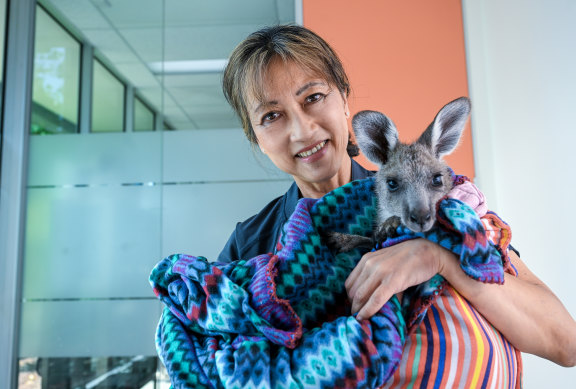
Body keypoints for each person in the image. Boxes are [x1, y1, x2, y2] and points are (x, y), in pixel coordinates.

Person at [218, 24, 576, 385]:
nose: (302, 130)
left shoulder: (432, 200)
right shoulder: (250, 247)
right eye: (271, 116)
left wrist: (437, 258)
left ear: (344, 99)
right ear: (257, 139)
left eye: (312, 97)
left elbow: (565, 342)